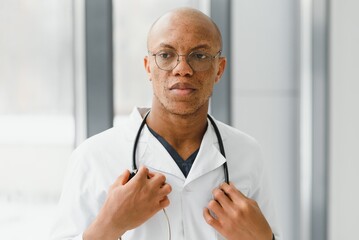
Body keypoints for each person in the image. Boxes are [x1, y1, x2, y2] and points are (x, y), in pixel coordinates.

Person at [50, 7, 280, 240]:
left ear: (219, 69)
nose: (182, 69)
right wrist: (109, 225)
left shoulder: (247, 154)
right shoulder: (94, 157)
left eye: (199, 56)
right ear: (148, 66)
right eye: (166, 55)